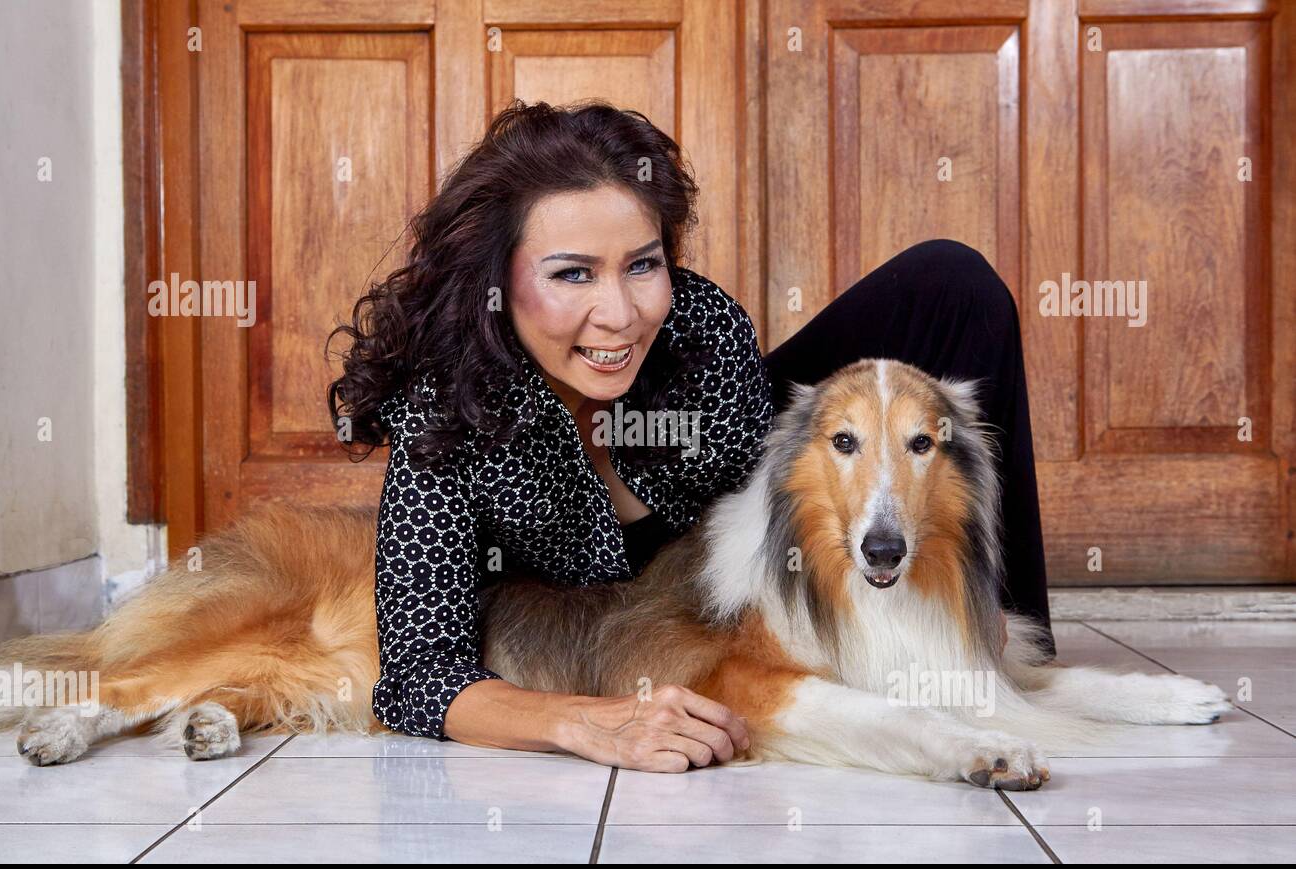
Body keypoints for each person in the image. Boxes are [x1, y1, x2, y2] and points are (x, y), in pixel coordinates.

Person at [328, 100, 1052, 774]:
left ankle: (992, 631)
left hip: (709, 559)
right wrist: (590, 723)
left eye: (643, 264)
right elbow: (419, 675)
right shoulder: (444, 406)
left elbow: (764, 502)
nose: (619, 313)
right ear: (495, 280)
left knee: (951, 280)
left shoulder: (704, 329)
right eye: (572, 273)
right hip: (587, 623)